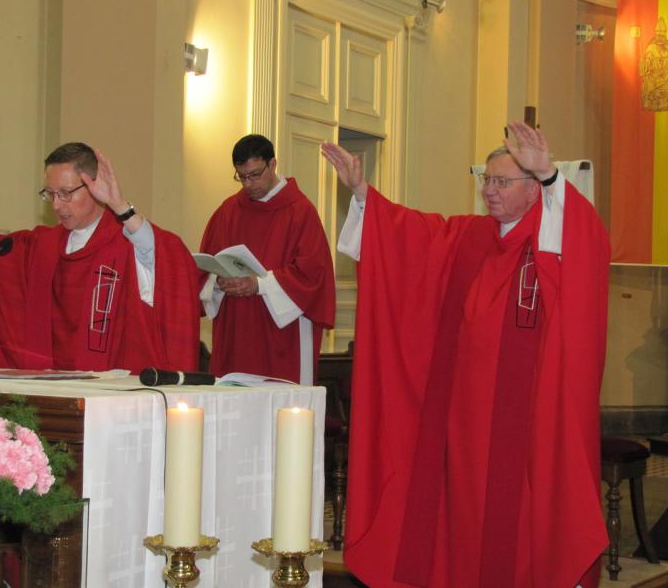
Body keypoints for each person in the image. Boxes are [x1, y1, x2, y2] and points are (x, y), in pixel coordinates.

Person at [321, 121, 610, 588]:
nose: (489, 192)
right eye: (486, 180)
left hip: (528, 425)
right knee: (461, 524)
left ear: (534, 191)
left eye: (501, 182)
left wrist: (553, 176)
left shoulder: (552, 239)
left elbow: (585, 252)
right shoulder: (468, 237)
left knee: (518, 532)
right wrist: (362, 196)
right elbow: (404, 237)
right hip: (461, 421)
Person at [0, 142, 199, 373]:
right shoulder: (40, 246)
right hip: (53, 389)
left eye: (67, 193)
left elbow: (164, 257)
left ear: (96, 189)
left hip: (115, 394)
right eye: (50, 194)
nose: (57, 204)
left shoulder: (125, 242)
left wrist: (121, 207)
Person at [199, 134, 335, 384]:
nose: (249, 184)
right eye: (242, 177)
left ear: (272, 165)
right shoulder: (228, 211)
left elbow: (312, 275)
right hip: (236, 332)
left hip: (282, 336)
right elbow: (205, 268)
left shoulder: (300, 211)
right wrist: (217, 283)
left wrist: (259, 285)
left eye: (255, 174)